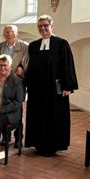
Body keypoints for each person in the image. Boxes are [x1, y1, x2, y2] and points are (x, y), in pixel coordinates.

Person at [24, 15, 78, 157]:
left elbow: (67, 65)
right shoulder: (34, 45)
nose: (43, 28)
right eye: (40, 26)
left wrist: (67, 86)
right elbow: (30, 67)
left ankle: (53, 145)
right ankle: (38, 143)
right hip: (37, 89)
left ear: (51, 26)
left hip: (55, 89)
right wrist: (26, 82)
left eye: (45, 25)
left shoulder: (61, 44)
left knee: (54, 116)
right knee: (38, 115)